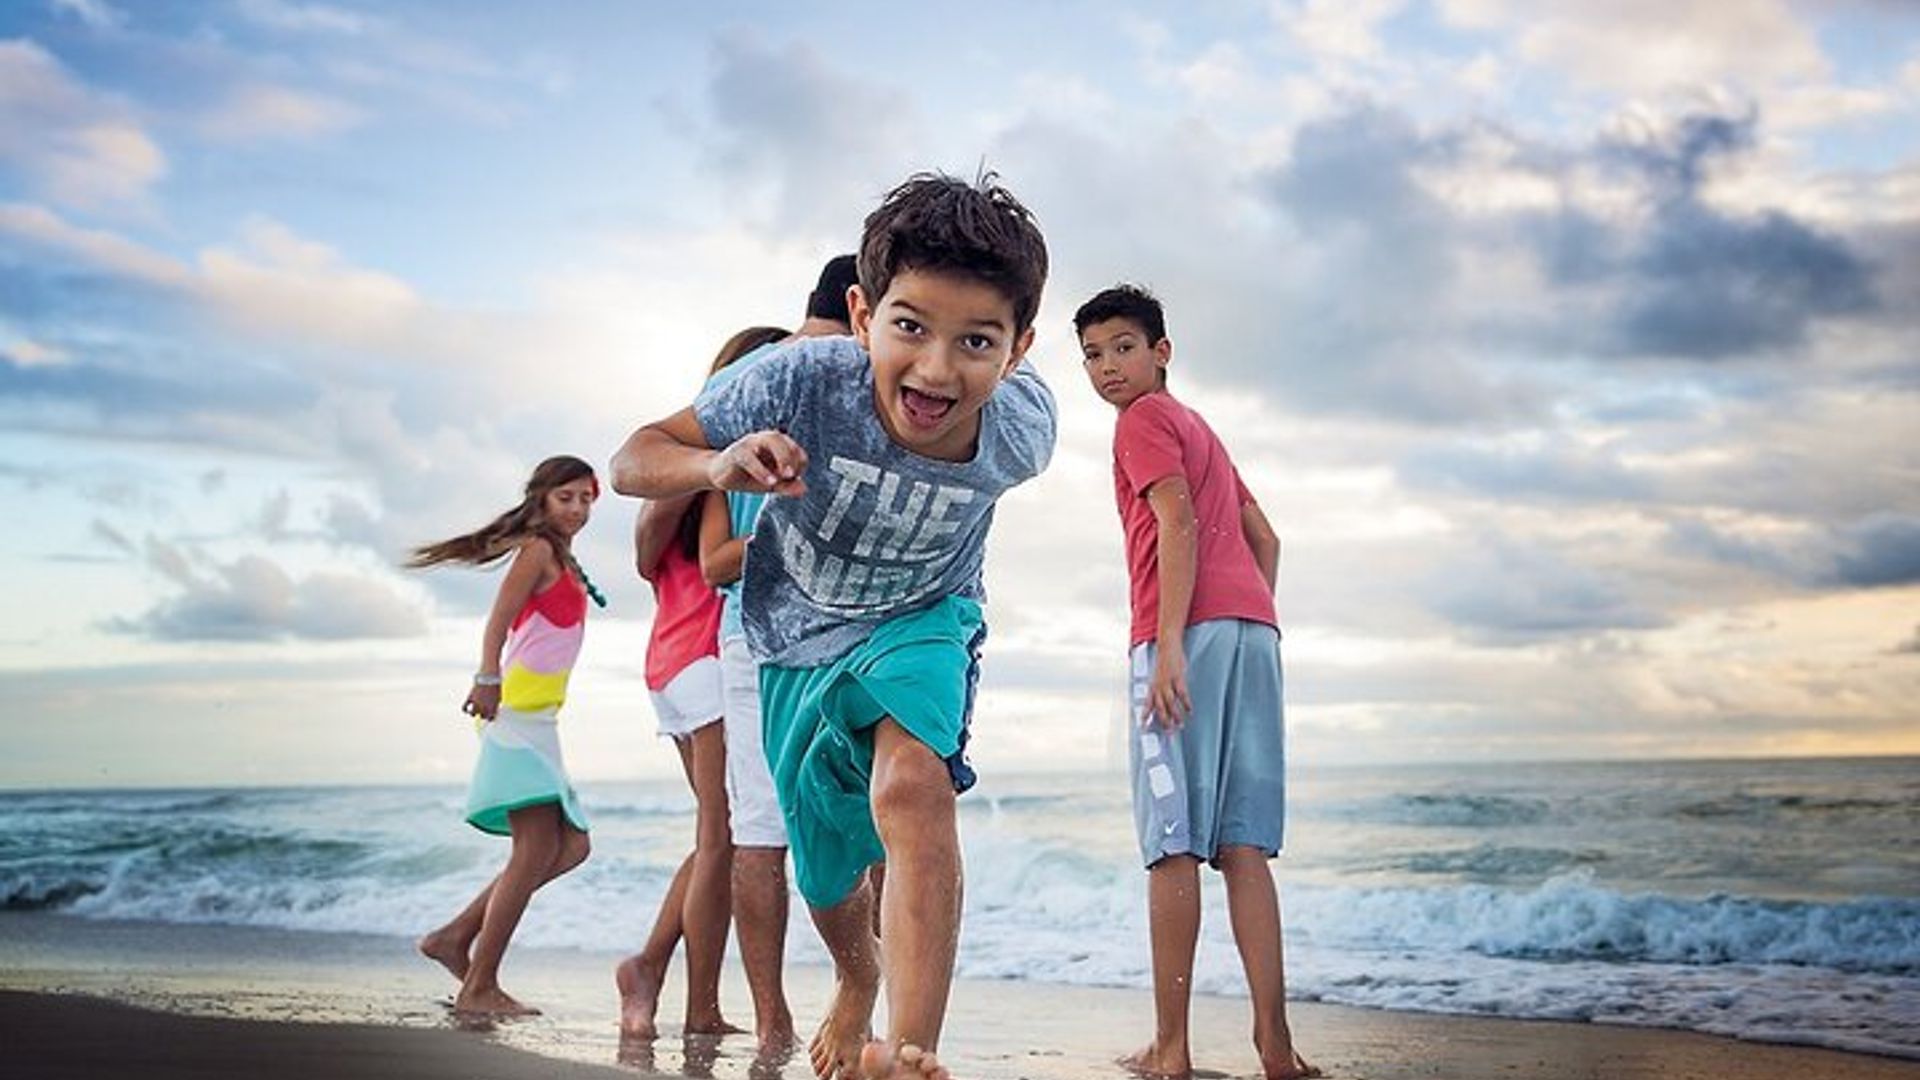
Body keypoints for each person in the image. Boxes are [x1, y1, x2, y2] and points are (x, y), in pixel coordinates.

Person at [610, 172, 1054, 1080]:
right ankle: (857, 980)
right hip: (794, 639)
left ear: (1019, 350)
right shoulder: (799, 379)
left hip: (927, 617)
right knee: (822, 876)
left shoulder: (1023, 431)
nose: (937, 370)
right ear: (860, 315)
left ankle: (911, 1048)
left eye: (978, 341)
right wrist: (716, 461)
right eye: (910, 328)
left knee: (911, 789)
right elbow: (632, 458)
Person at [1074, 284, 1317, 1080]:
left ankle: (1171, 1049)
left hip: (1181, 633)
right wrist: (1244, 611)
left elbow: (1175, 518)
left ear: (1161, 352)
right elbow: (1263, 536)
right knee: (1244, 847)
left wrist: (1174, 643)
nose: (1107, 368)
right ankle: (1274, 1047)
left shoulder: (1142, 422)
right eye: (1093, 356)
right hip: (1253, 634)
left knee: (1171, 845)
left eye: (1122, 347)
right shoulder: (1199, 426)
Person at [693, 257, 861, 1059]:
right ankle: (841, 1009)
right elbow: (715, 556)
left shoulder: (742, 380)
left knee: (758, 831)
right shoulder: (859, 375)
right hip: (810, 631)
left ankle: (777, 1023)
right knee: (877, 823)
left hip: (746, 636)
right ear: (864, 308)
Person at [615, 325, 789, 1041]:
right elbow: (647, 548)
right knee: (727, 833)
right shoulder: (710, 462)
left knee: (718, 834)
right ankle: (663, 977)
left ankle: (686, 994)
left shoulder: (730, 466)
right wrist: (706, 472)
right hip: (703, 651)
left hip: (679, 654)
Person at [411, 455, 605, 1017]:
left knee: (571, 847)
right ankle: (478, 985)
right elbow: (497, 619)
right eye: (565, 497)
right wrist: (486, 677)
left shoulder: (562, 556)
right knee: (538, 848)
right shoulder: (537, 551)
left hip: (538, 720)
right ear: (541, 498)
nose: (576, 508)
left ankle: (454, 938)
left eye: (585, 498)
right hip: (514, 715)